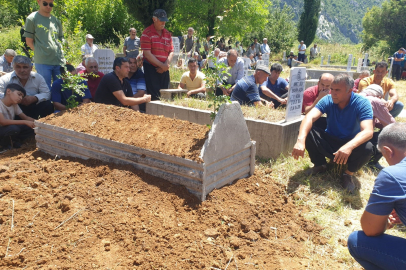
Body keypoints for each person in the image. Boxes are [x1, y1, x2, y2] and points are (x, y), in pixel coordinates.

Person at [292, 74, 374, 193]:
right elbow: (309, 117)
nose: (333, 93)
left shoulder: (362, 103)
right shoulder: (328, 99)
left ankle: (348, 174)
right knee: (307, 131)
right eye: (332, 89)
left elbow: (368, 131)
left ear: (349, 91)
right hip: (330, 140)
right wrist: (300, 141)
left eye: (337, 90)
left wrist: (349, 146)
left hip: (350, 143)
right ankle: (320, 165)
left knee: (368, 148)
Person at [347, 122, 406, 270]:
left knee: (357, 242)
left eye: (385, 157)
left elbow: (371, 230)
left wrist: (385, 222)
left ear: (388, 151)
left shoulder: (392, 175)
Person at [23, 0, 65, 91]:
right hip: (43, 62)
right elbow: (29, 41)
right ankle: (48, 106)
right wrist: (40, 52)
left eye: (51, 4)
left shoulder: (56, 20)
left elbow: (61, 39)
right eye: (45, 3)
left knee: (61, 88)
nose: (48, 6)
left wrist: (63, 55)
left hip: (58, 61)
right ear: (38, 2)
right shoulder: (32, 18)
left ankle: (58, 105)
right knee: (45, 88)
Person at [358, 84, 396, 170]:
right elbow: (391, 124)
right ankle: (372, 162)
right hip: (361, 137)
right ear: (379, 96)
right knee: (390, 134)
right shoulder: (375, 101)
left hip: (345, 135)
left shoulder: (357, 96)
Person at [140, 9, 174, 101]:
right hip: (151, 68)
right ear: (154, 19)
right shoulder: (146, 33)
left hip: (164, 68)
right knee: (154, 96)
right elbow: (147, 54)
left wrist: (165, 65)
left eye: (165, 21)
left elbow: (171, 51)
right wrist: (162, 65)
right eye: (161, 20)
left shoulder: (167, 34)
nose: (163, 23)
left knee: (166, 95)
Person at [0, 83, 35, 152]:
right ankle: (3, 146)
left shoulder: (14, 105)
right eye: (19, 94)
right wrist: (25, 122)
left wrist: (40, 122)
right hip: (2, 129)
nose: (20, 98)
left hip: (7, 130)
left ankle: (13, 142)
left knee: (30, 127)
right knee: (13, 128)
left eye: (22, 97)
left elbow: (25, 117)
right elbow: (3, 122)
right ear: (8, 91)